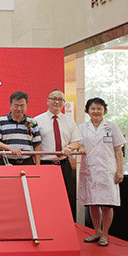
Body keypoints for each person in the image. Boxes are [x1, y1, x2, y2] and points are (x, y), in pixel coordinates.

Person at [78, 98, 125, 247]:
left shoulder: (111, 127)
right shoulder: (82, 128)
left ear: (104, 110)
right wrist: (79, 148)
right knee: (92, 203)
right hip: (90, 170)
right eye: (93, 108)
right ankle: (97, 232)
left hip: (107, 171)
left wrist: (120, 170)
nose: (96, 111)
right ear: (88, 111)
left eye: (99, 108)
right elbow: (77, 145)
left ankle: (105, 234)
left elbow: (118, 150)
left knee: (107, 204)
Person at [35, 89, 81, 220]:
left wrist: (69, 147)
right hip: (45, 165)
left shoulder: (69, 121)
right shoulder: (37, 121)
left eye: (60, 99)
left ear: (64, 103)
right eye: (54, 99)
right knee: (45, 198)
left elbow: (77, 142)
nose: (57, 102)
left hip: (64, 165)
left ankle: (66, 224)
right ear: (47, 101)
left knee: (66, 198)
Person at [0, 91, 42, 165]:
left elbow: (37, 144)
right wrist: (10, 148)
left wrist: (38, 164)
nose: (19, 109)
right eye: (16, 105)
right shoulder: (0, 121)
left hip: (27, 162)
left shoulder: (32, 122)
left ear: (26, 106)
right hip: (7, 162)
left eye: (22, 105)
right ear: (10, 105)